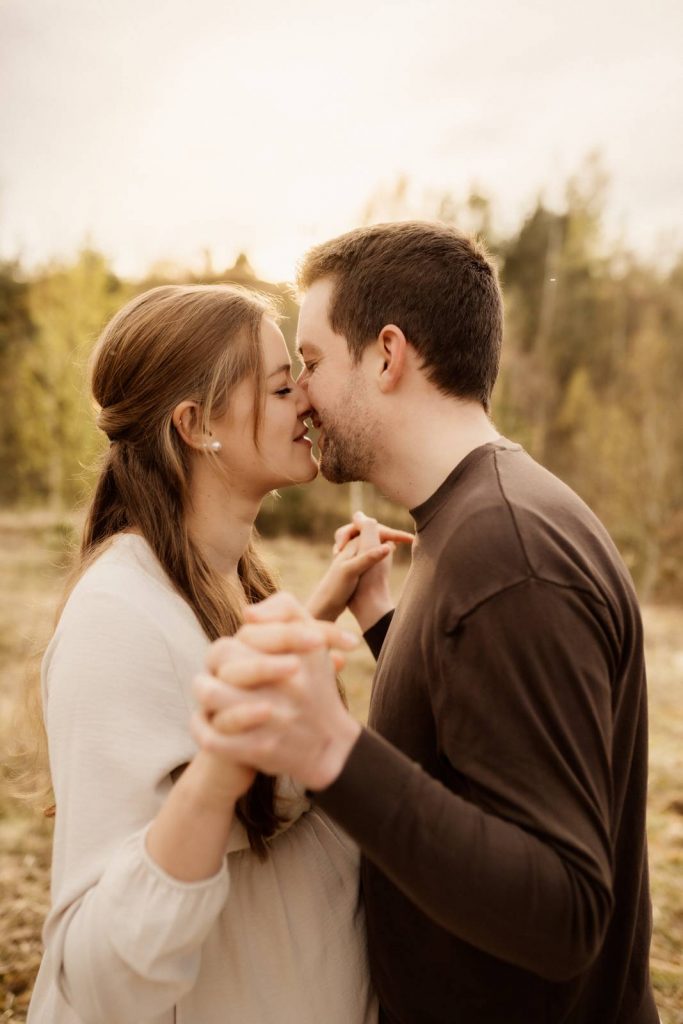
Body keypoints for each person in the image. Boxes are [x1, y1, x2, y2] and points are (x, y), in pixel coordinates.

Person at [193, 222, 659, 1024]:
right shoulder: (476, 520)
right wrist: (386, 627)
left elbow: (564, 914)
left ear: (386, 355)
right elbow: (481, 738)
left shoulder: (508, 554)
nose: (301, 396)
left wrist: (331, 750)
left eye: (311, 363)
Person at [26, 282, 413, 1024]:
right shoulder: (115, 618)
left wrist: (324, 606)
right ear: (197, 424)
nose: (308, 400)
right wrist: (220, 771)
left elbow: (242, 722)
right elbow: (105, 975)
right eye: (281, 386)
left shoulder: (234, 579)